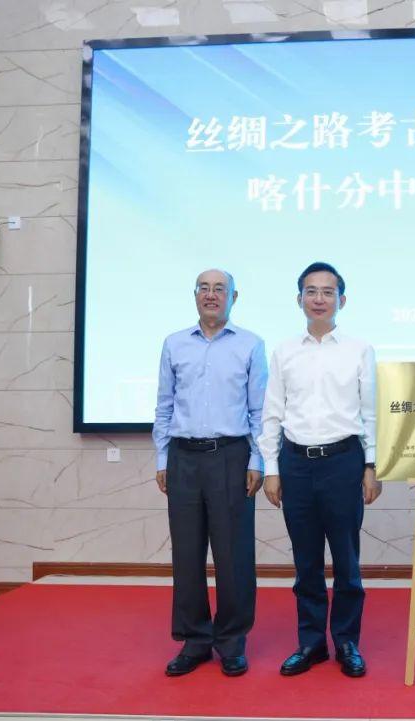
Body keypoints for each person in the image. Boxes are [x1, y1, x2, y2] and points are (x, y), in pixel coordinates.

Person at [260, 261, 381, 678]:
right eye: (311, 291)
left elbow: (371, 413)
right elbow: (272, 413)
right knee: (306, 561)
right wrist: (271, 468)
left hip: (343, 462)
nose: (319, 299)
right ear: (299, 299)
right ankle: (310, 643)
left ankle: (347, 641)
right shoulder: (284, 351)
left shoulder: (359, 349)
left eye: (328, 292)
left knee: (347, 560)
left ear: (341, 300)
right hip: (295, 464)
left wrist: (371, 464)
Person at [153, 268, 267, 677]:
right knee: (186, 553)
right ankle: (195, 640)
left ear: (234, 297)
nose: (212, 295)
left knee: (234, 554)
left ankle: (232, 641)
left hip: (231, 456)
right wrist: (162, 459)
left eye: (220, 289)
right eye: (204, 288)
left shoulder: (251, 345)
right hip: (183, 457)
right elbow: (164, 406)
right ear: (195, 295)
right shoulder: (174, 344)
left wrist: (257, 461)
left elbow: (259, 411)